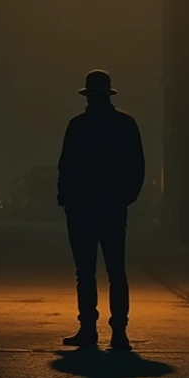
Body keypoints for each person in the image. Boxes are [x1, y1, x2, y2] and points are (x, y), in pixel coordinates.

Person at [57, 69, 145, 350]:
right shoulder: (125, 125)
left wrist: (66, 199)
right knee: (116, 272)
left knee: (86, 273)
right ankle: (119, 332)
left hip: (82, 208)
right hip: (112, 207)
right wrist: (125, 197)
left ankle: (89, 330)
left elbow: (66, 166)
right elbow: (137, 166)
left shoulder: (78, 126)